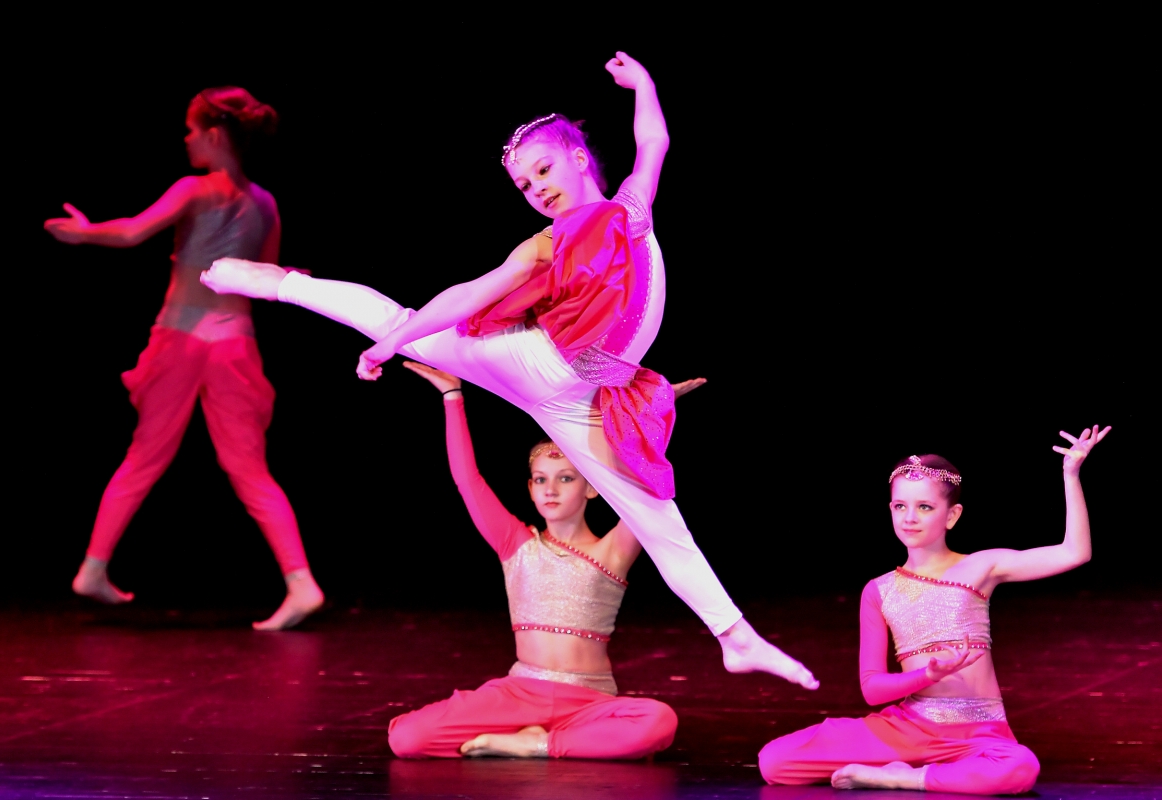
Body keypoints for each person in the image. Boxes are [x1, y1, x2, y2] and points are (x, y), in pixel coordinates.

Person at [200, 53, 817, 686]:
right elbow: (471, 294)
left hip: (580, 395)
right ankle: (281, 284)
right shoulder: (549, 241)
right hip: (534, 365)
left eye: (544, 170)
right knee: (398, 322)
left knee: (656, 514)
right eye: (524, 185)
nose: (537, 189)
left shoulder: (632, 208)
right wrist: (396, 345)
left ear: (579, 158)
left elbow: (653, 140)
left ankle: (735, 637)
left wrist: (644, 84)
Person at [44, 87, 323, 631]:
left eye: (192, 130)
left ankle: (92, 569)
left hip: (180, 340)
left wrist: (83, 234)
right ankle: (301, 582)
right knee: (250, 470)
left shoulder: (194, 189)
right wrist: (301, 281)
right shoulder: (265, 203)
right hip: (233, 342)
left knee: (143, 459)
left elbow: (132, 231)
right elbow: (267, 279)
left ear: (214, 136)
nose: (187, 138)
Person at [758, 425, 1110, 793]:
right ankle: (925, 770)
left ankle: (903, 776)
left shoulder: (981, 566)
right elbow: (873, 689)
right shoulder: (879, 590)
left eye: (924, 507)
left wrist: (1071, 475)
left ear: (952, 515)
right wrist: (928, 675)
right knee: (775, 761)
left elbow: (1075, 552)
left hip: (978, 735)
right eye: (900, 506)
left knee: (1020, 767)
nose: (909, 517)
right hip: (906, 729)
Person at [387, 363, 705, 758]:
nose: (550, 489)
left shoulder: (613, 550)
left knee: (659, 721)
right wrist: (452, 396)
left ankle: (536, 743)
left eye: (565, 478)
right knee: (406, 738)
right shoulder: (516, 544)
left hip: (587, 701)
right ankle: (541, 736)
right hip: (517, 695)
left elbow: (648, 488)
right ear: (530, 487)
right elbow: (468, 481)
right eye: (541, 479)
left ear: (592, 487)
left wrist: (651, 412)